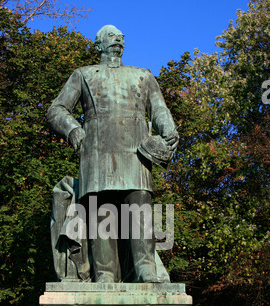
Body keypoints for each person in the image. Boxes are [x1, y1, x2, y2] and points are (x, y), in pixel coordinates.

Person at [46, 25, 179, 283]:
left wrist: (169, 130)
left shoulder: (143, 76)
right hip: (97, 153)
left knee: (140, 208)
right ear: (98, 45)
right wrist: (73, 130)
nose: (116, 39)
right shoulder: (83, 75)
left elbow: (159, 110)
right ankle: (105, 274)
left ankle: (146, 269)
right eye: (110, 36)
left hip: (136, 153)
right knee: (100, 211)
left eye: (120, 36)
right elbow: (57, 109)